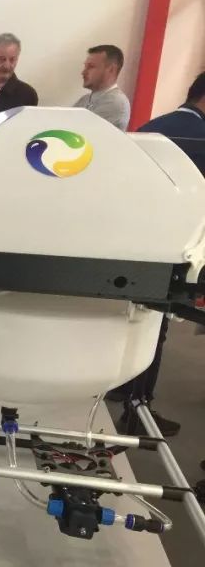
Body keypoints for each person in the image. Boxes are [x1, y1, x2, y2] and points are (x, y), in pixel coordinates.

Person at [107, 71, 205, 438]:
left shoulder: (153, 127)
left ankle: (122, 386)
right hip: (172, 249)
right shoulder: (199, 136)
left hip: (133, 242)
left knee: (134, 319)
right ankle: (138, 408)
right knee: (155, 325)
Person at [73, 44, 131, 130]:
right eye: (85, 66)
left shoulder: (115, 102)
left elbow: (78, 132)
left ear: (111, 69)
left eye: (91, 67)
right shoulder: (84, 99)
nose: (83, 72)